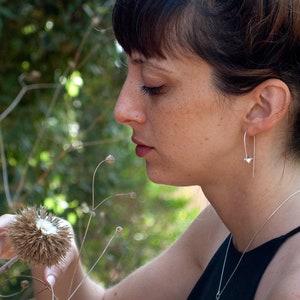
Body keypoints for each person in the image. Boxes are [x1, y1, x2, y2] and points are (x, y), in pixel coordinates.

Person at [1, 0, 300, 298]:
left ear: (261, 107)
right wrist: (51, 248)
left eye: (153, 84)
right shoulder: (221, 227)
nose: (123, 110)